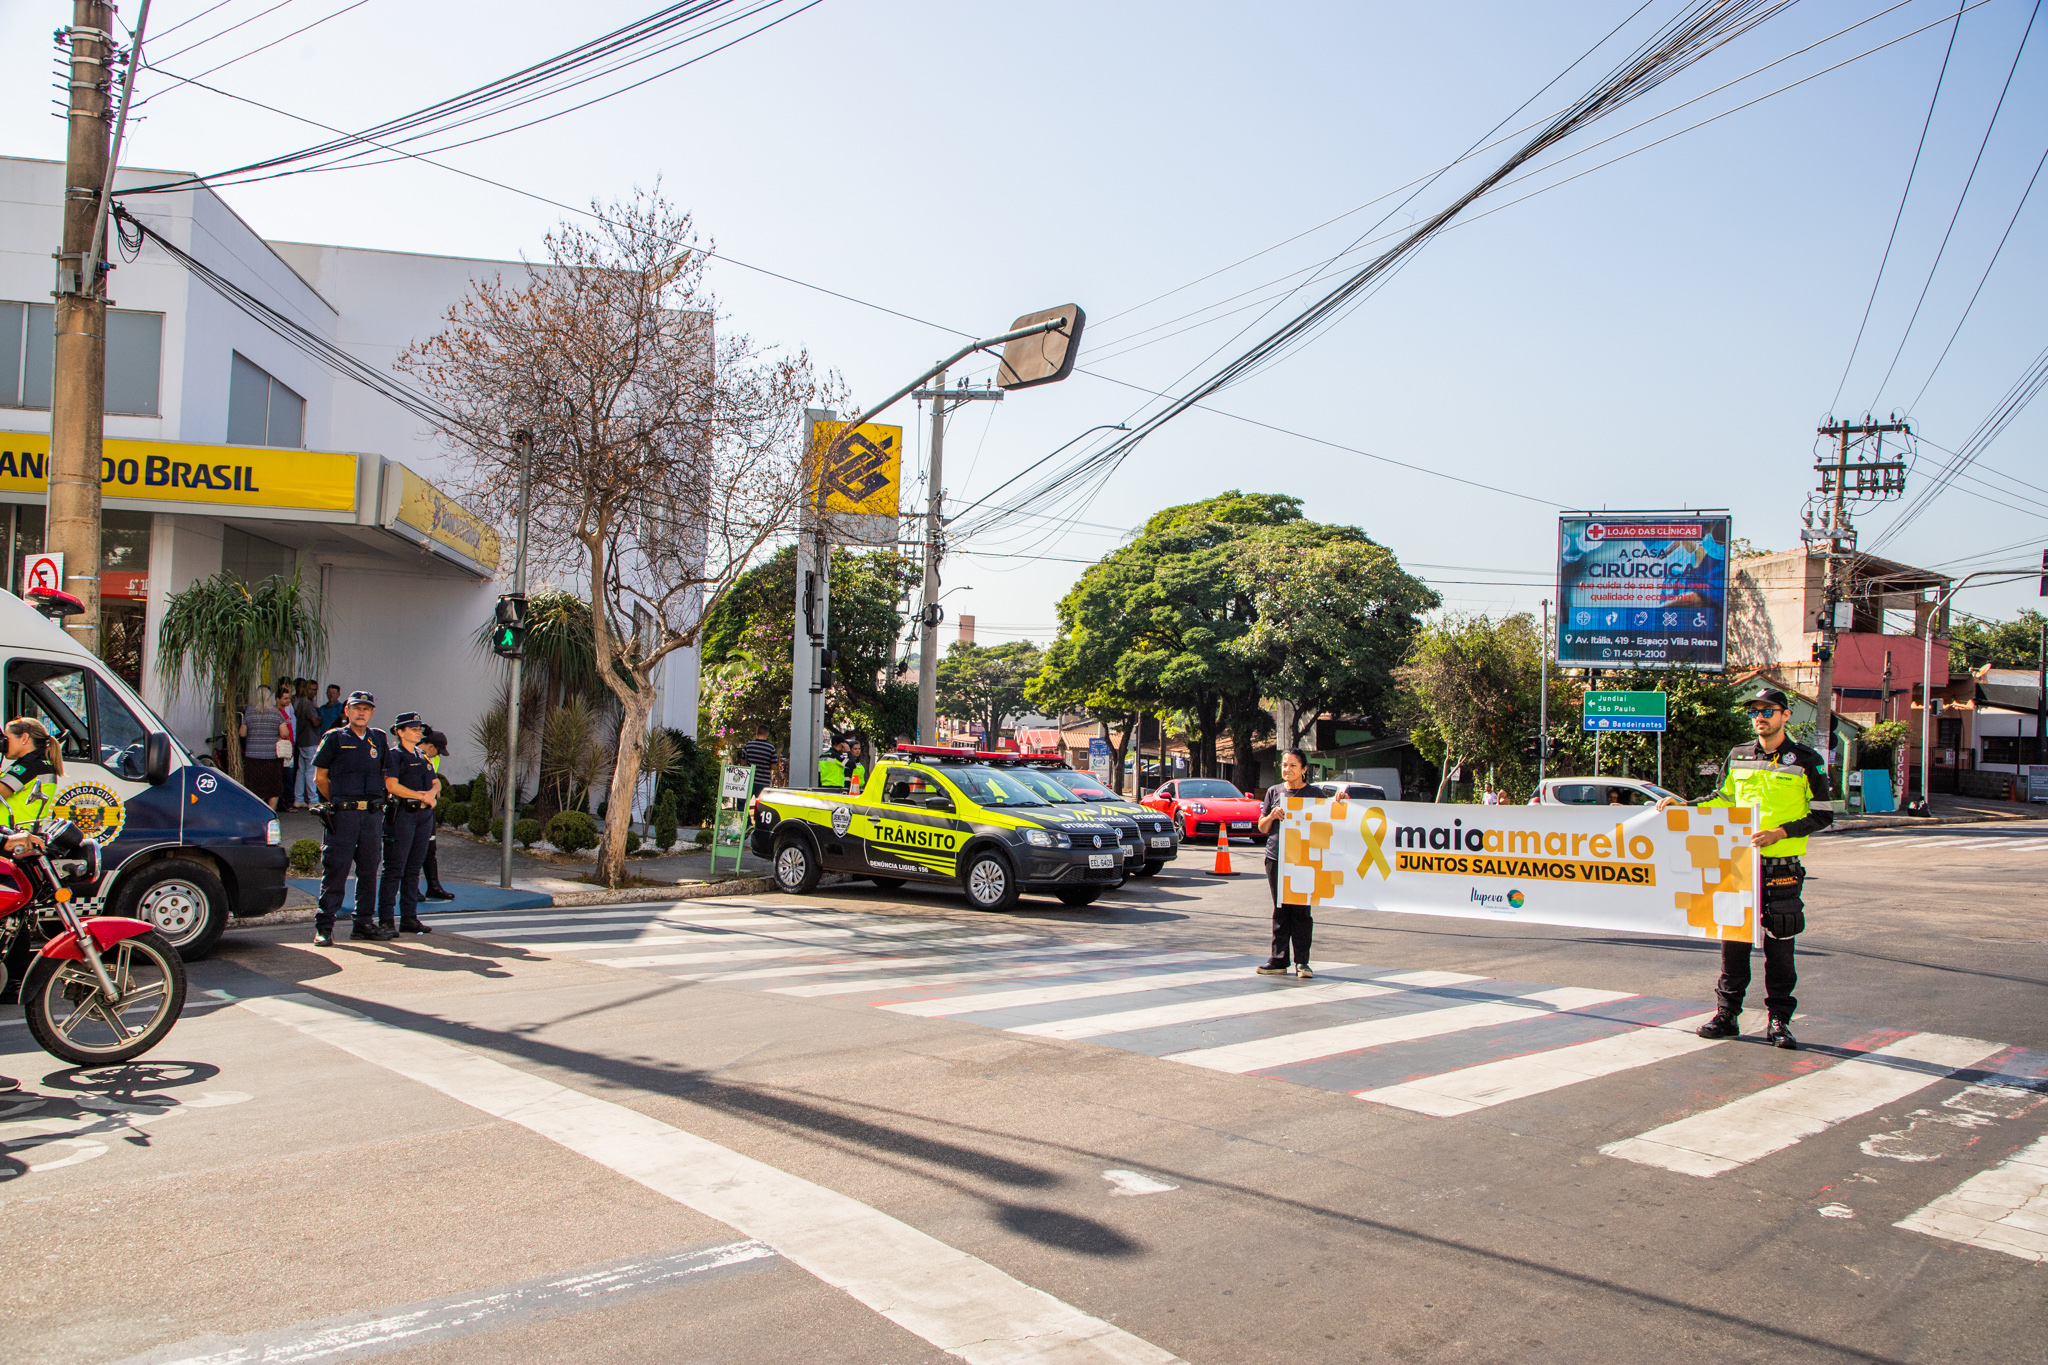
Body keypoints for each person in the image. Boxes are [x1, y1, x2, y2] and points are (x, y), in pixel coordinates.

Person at [1657, 687, 1832, 1050]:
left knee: (1780, 946)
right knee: (1733, 944)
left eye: (1768, 711)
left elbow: (1823, 814)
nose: (1760, 717)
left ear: (1786, 716)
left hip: (1780, 867)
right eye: (1755, 712)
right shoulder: (1738, 756)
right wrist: (1685, 805)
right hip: (1738, 865)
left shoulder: (1806, 760)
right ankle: (1726, 1016)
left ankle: (1779, 1021)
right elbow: (1722, 798)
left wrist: (1781, 833)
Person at [312, 691, 395, 946]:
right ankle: (324, 927)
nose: (361, 713)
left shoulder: (378, 738)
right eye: (356, 708)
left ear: (371, 713)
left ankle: (363, 924)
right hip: (344, 815)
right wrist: (337, 801)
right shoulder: (335, 738)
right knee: (336, 871)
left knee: (369, 870)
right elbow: (320, 778)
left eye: (366, 709)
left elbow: (387, 776)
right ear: (346, 711)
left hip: (370, 816)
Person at [1254, 748, 1325, 979]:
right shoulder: (1274, 792)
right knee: (1281, 909)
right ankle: (1278, 959)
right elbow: (1262, 827)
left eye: (1293, 765)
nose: (1287, 769)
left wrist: (1342, 803)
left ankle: (1302, 962)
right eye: (1285, 765)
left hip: (1304, 859)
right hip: (1276, 858)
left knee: (1302, 911)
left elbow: (1329, 822)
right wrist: (1272, 816)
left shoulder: (1314, 794)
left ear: (1304, 769)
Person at [379, 713, 441, 935]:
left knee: (413, 869)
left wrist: (431, 794)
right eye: (413, 728)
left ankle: (409, 917)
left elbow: (436, 782)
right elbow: (392, 785)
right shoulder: (394, 756)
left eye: (419, 729)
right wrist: (418, 795)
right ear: (400, 731)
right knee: (394, 869)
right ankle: (386, 920)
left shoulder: (422, 756)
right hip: (403, 815)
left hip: (423, 816)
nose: (418, 732)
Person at [417, 729, 455, 902]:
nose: (437, 755)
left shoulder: (433, 759)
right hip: (410, 810)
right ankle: (411, 888)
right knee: (412, 851)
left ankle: (433, 886)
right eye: (437, 751)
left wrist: (434, 791)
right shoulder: (409, 753)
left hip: (427, 807)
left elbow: (433, 782)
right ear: (430, 746)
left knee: (430, 849)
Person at [239, 685, 286, 811]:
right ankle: (271, 811)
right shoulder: (276, 714)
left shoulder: (250, 713)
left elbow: (242, 733)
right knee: (273, 787)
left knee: (254, 787)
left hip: (252, 757)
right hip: (271, 757)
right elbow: (284, 733)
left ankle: (255, 811)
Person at [293, 680, 323, 811]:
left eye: (315, 689)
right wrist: (320, 718)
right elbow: (315, 722)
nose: (314, 692)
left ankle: (298, 798)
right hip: (310, 740)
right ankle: (313, 800)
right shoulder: (308, 704)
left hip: (302, 740)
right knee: (311, 771)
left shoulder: (300, 703)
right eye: (311, 689)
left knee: (302, 771)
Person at [740, 727, 778, 803]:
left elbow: (743, 763)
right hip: (764, 781)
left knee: (742, 804)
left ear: (756, 733)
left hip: (749, 779)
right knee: (762, 805)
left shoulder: (748, 746)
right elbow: (774, 766)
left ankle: (747, 815)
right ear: (767, 734)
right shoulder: (771, 748)